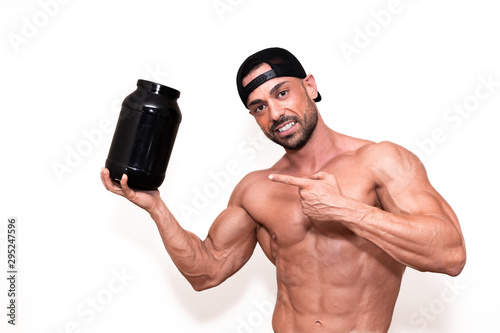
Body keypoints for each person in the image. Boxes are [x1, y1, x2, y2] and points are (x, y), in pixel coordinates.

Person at [101, 47, 466, 332]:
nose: (275, 113)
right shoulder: (255, 189)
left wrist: (344, 210)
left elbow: (450, 254)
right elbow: (205, 273)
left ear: (310, 86)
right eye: (260, 106)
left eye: (282, 93)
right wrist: (156, 207)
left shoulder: (380, 161)